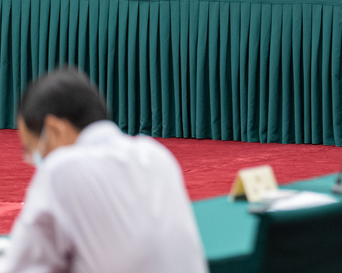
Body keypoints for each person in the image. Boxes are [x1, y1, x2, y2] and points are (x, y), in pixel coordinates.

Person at [1, 69, 208, 273]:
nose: (33, 159)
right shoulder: (156, 155)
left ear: (55, 129)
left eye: (31, 147)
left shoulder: (61, 170)